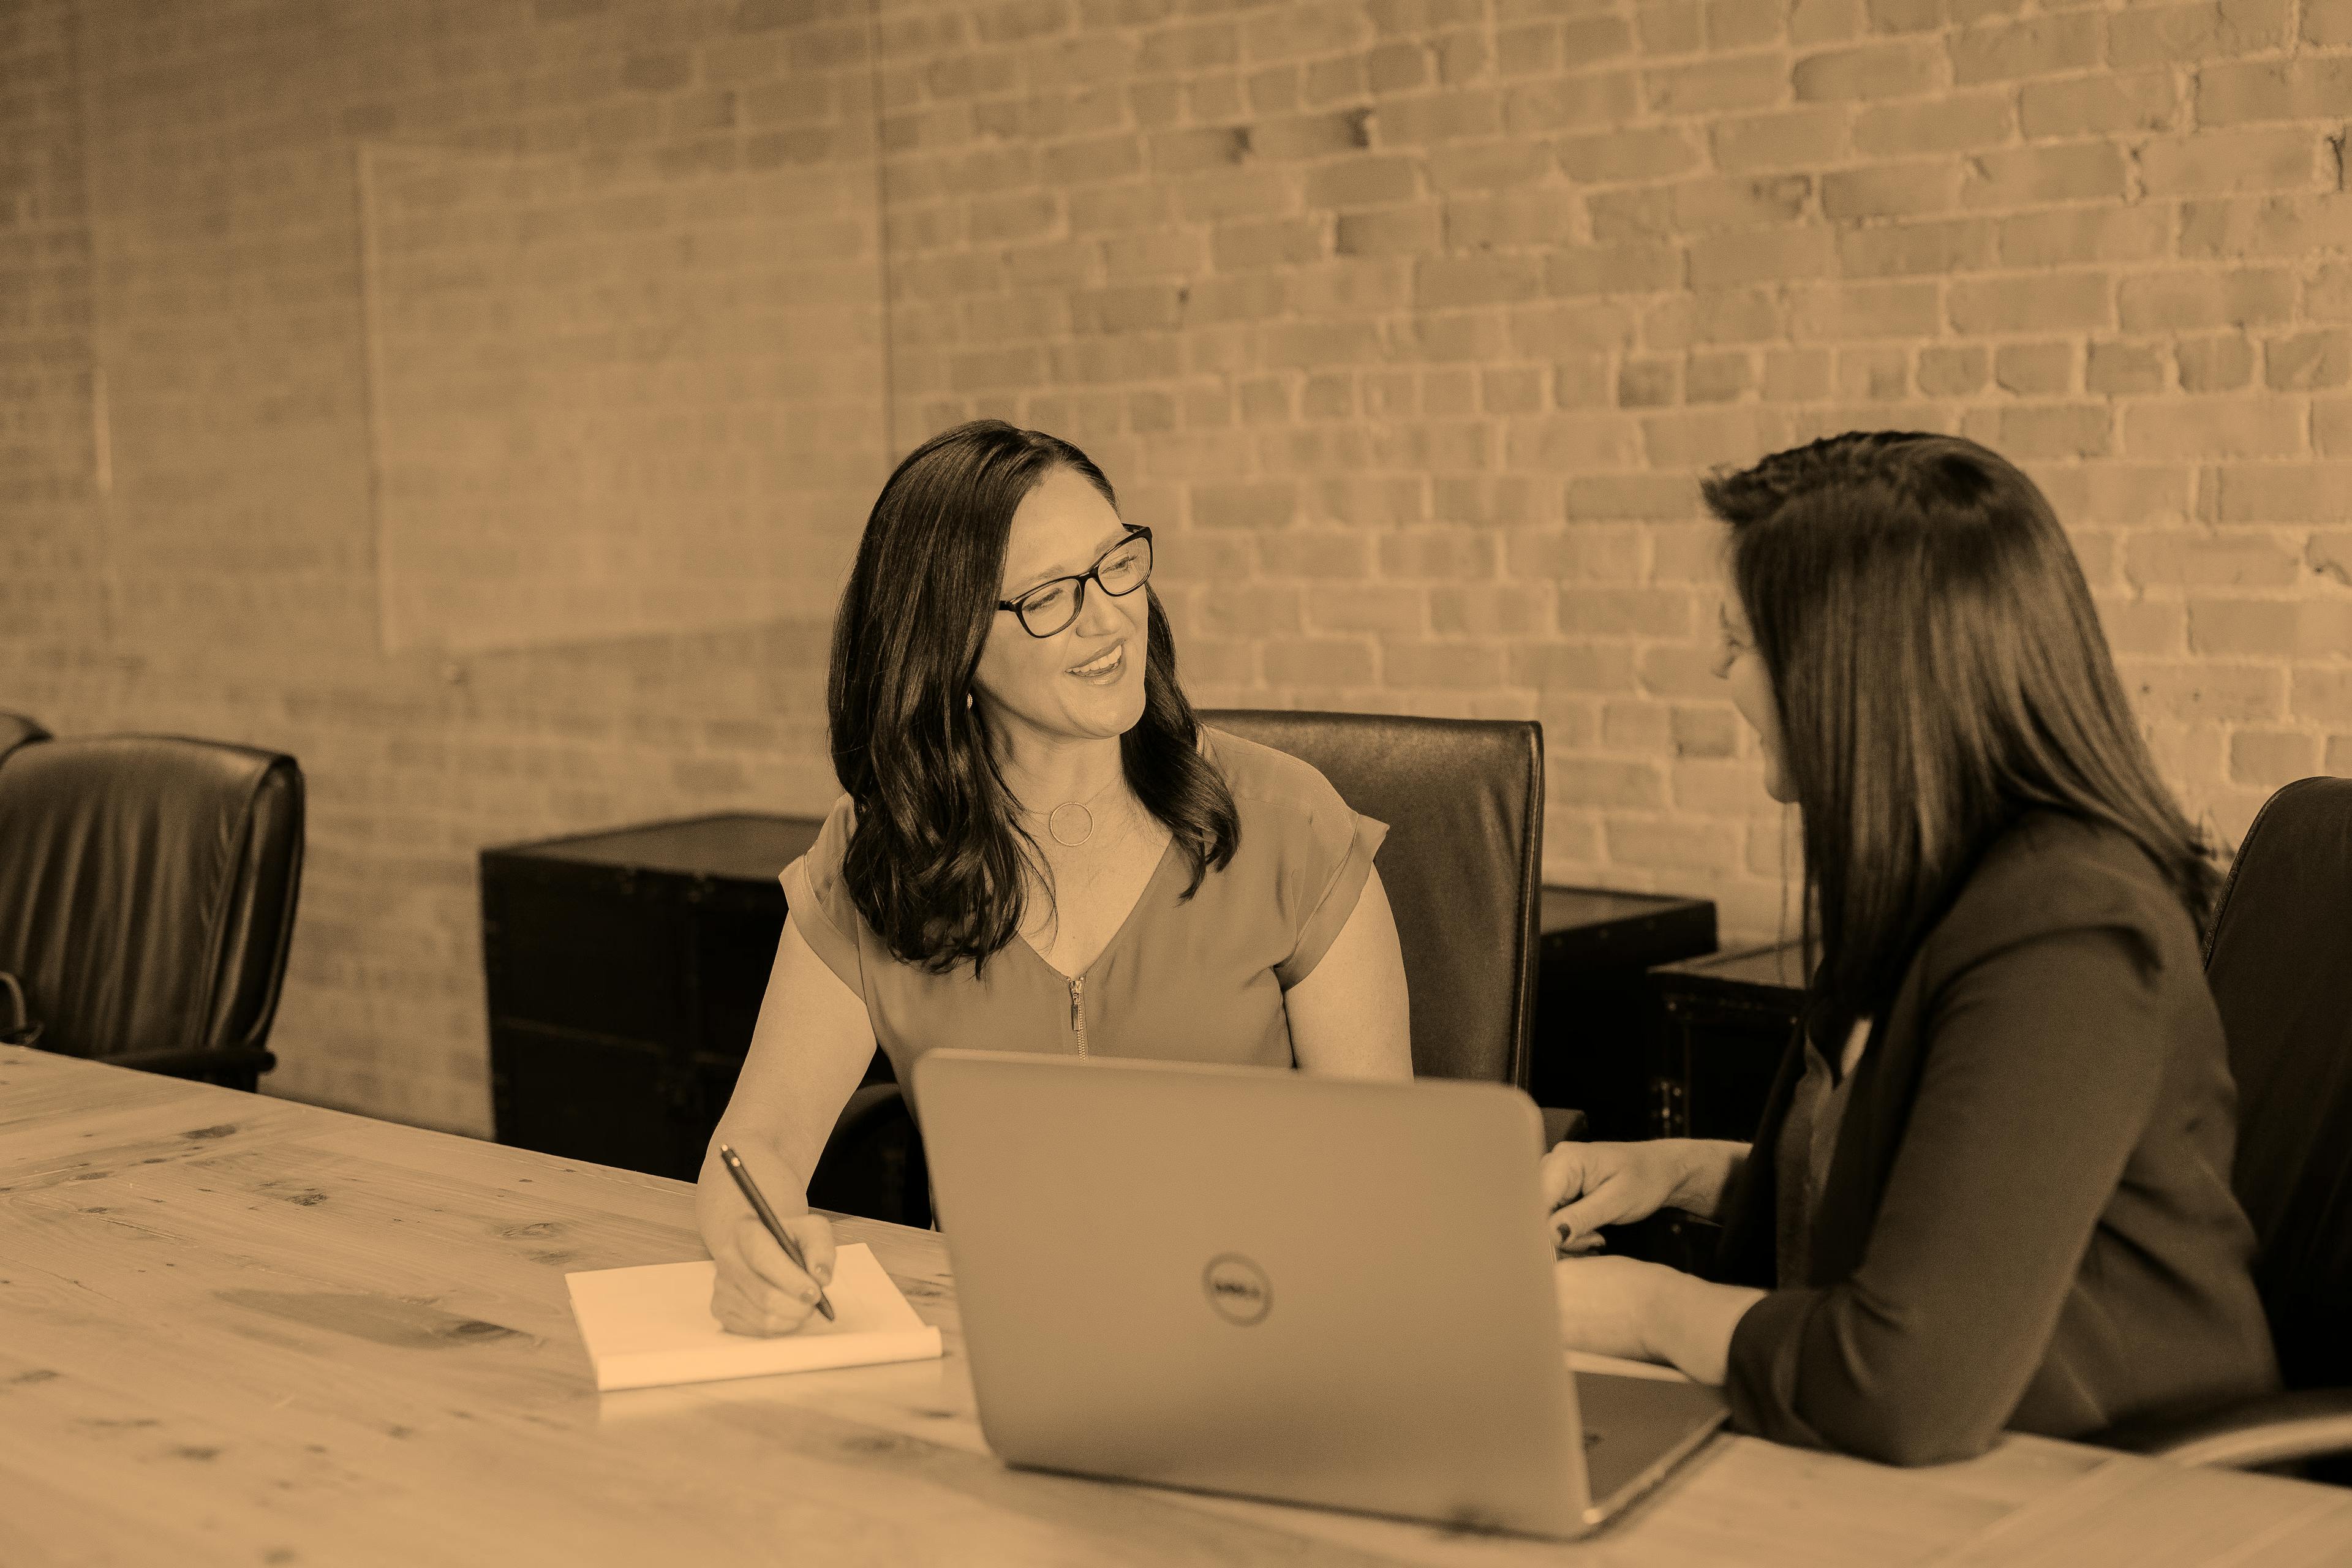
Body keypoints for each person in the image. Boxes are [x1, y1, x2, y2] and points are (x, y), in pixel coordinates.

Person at [1540, 431, 2279, 1464]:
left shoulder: (2069, 935)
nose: (1715, 667)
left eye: (1739, 639)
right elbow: (1935, 1186)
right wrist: (1677, 1172)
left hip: (2109, 1485)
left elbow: (1901, 1383)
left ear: (1852, 674)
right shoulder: (1926, 886)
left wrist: (1639, 1311)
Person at [697, 420, 1412, 1336]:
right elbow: (754, 1145)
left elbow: (1384, 1175)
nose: (1110, 615)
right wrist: (750, 1250)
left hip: (1259, 1330)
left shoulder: (1288, 824)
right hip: (991, 1349)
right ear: (948, 649)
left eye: (1119, 564)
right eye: (1048, 597)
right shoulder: (877, 861)